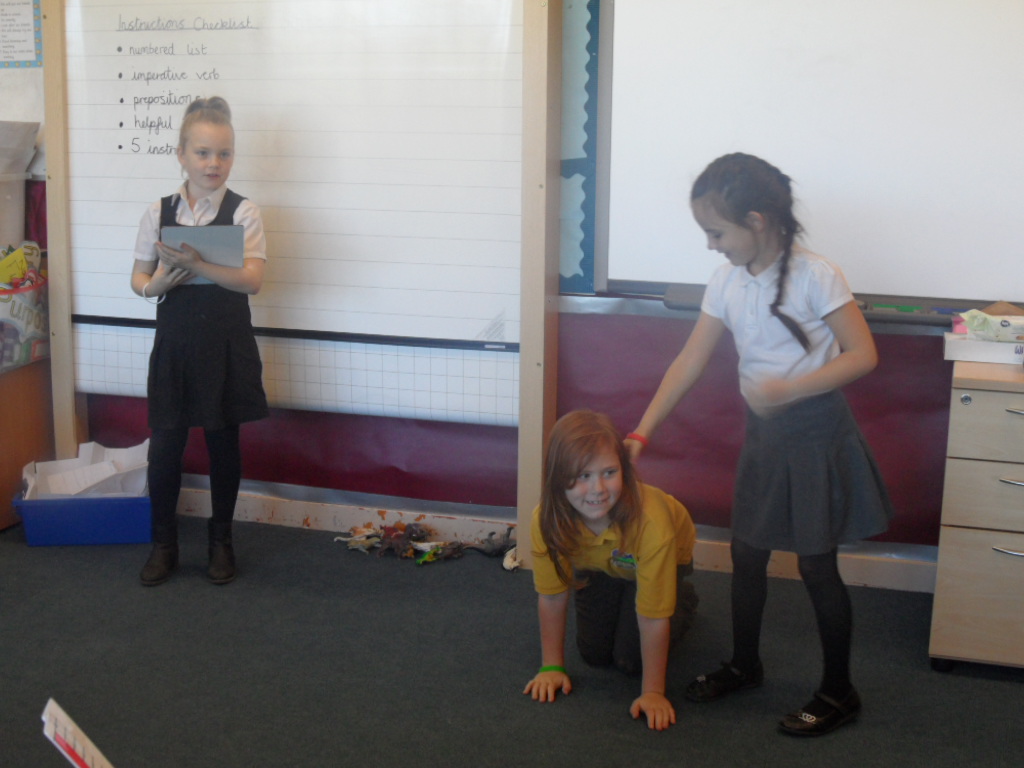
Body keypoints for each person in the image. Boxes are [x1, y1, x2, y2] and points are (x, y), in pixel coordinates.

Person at [626, 153, 893, 737]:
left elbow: (862, 355)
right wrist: (642, 432)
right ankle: (745, 665)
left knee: (816, 564)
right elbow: (689, 360)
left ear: (757, 220)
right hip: (766, 436)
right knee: (747, 553)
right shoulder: (725, 282)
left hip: (817, 433)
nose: (710, 245)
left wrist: (790, 389)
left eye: (716, 232)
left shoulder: (817, 275)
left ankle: (839, 691)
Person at [130, 96, 269, 587]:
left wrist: (198, 265)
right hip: (175, 344)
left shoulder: (243, 211)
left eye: (224, 153)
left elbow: (252, 281)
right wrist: (156, 285)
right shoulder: (159, 211)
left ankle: (220, 542)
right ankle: (163, 545)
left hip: (225, 344)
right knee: (165, 449)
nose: (214, 163)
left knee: (222, 446)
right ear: (181, 154)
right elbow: (139, 277)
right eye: (204, 153)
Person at [523, 410, 698, 731]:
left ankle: (682, 597)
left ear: (625, 470)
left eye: (609, 472)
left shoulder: (653, 524)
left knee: (630, 661)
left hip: (663, 559)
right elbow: (552, 596)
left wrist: (653, 693)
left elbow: (653, 617)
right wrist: (551, 667)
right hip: (604, 565)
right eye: (582, 475)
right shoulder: (546, 520)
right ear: (557, 477)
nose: (598, 489)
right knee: (594, 654)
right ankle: (618, 589)